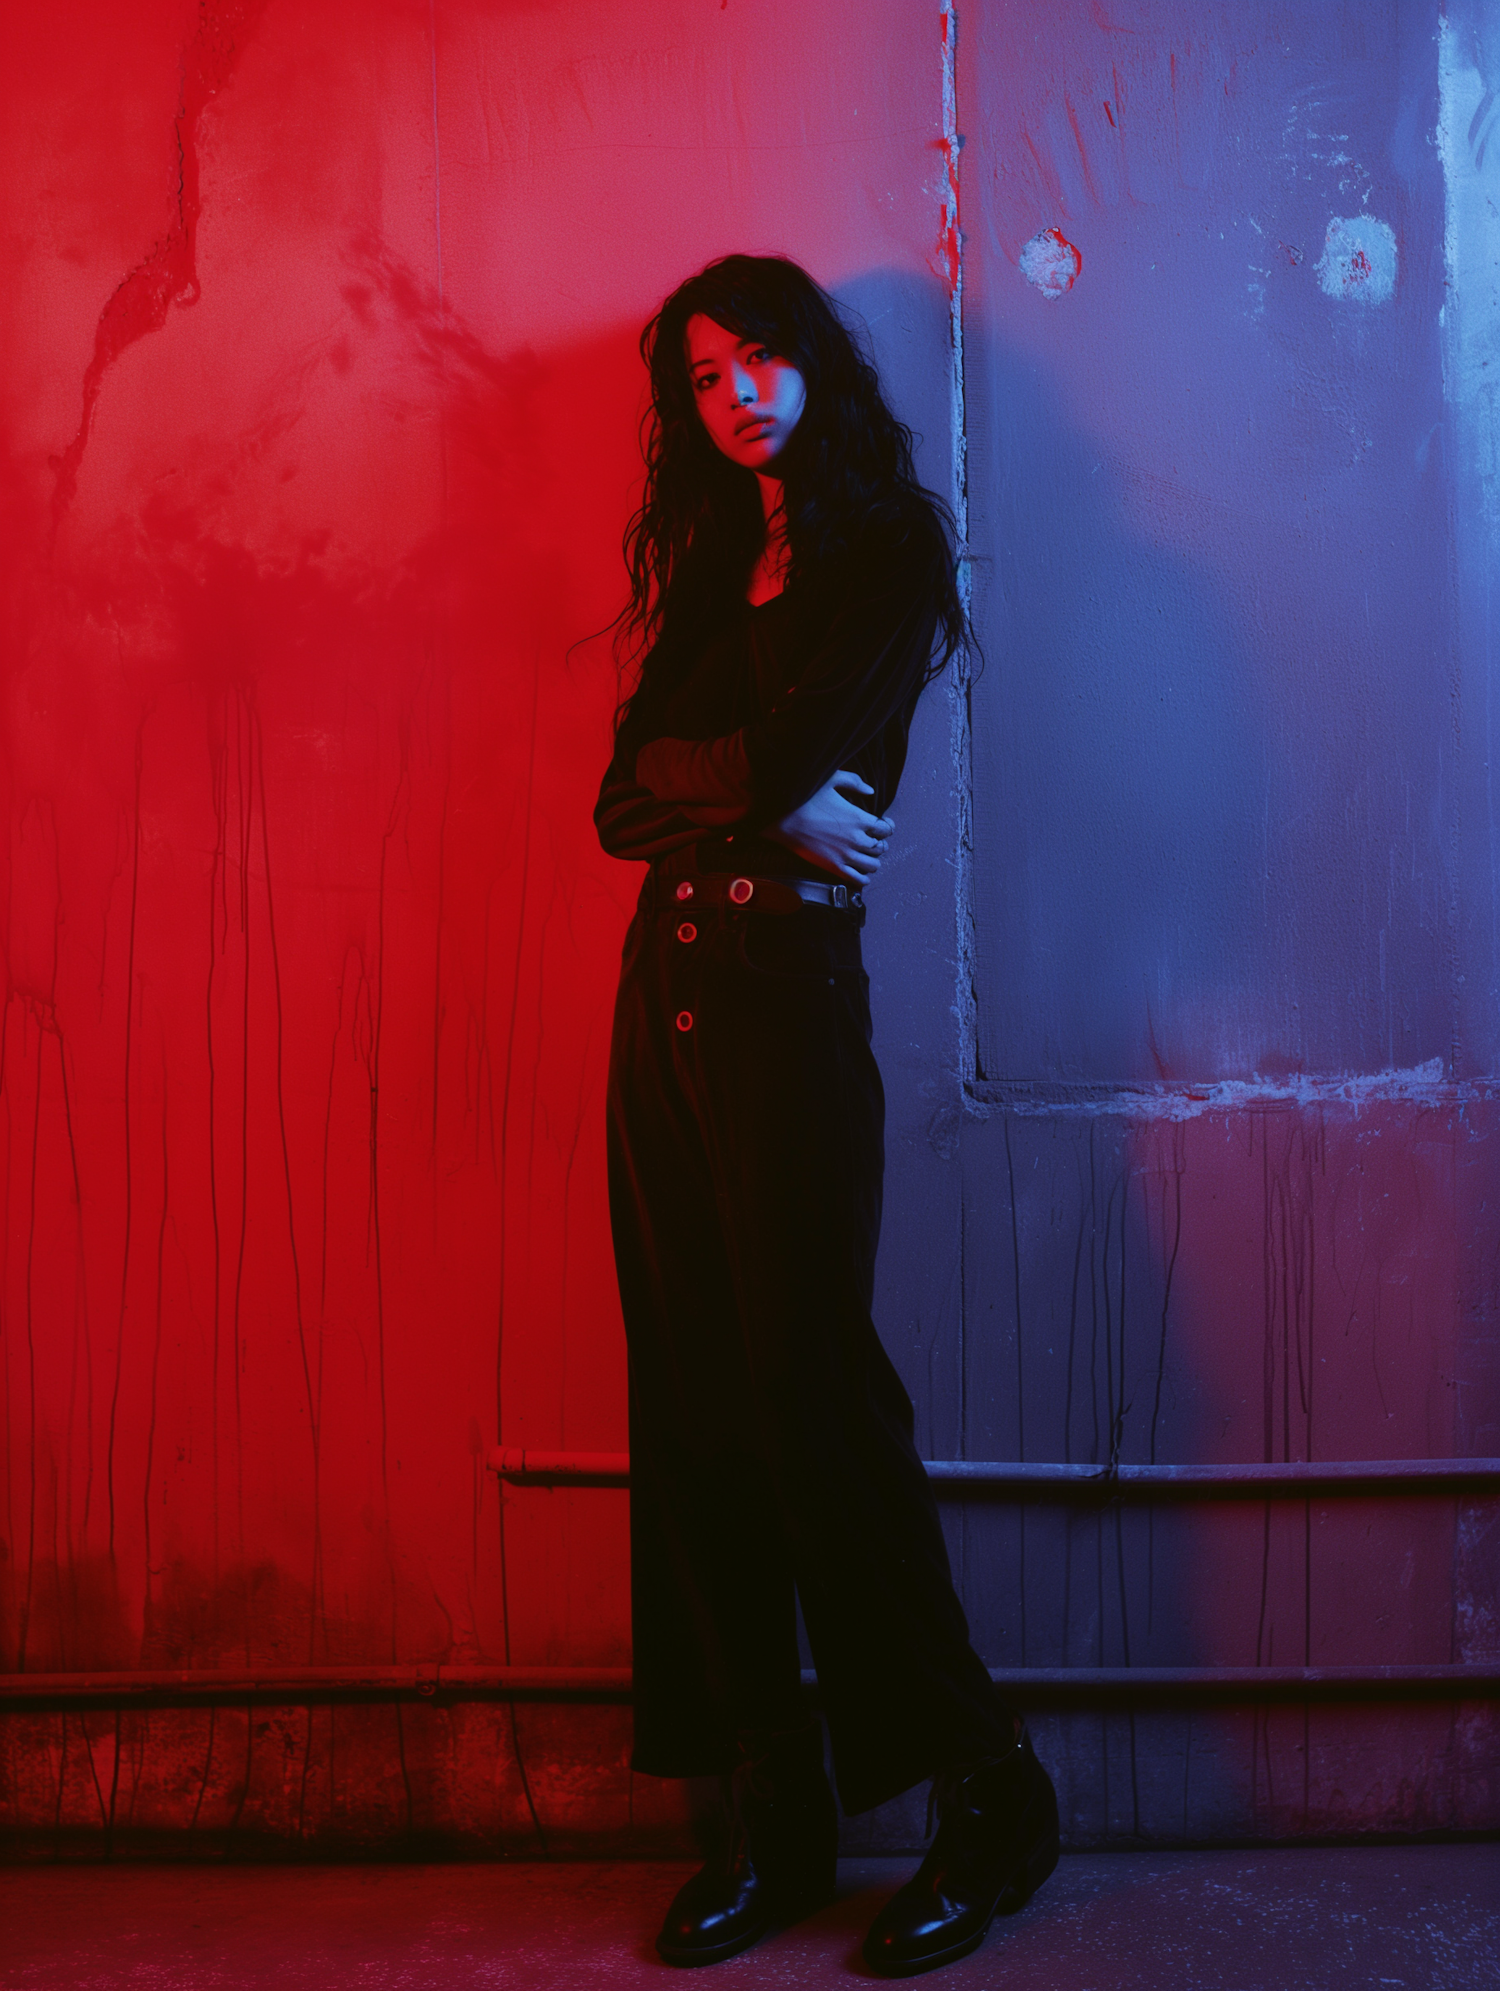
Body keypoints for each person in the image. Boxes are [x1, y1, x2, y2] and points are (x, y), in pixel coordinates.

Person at [594, 253, 1058, 1977]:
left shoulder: (885, 553)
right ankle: (773, 1808)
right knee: (694, 1403)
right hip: (666, 1004)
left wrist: (736, 789)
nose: (737, 397)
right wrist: (761, 802)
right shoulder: (723, 556)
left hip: (787, 1004)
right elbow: (617, 796)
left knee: (814, 1398)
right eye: (706, 379)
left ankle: (989, 1788)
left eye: (760, 361)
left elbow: (771, 760)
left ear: (815, 365)